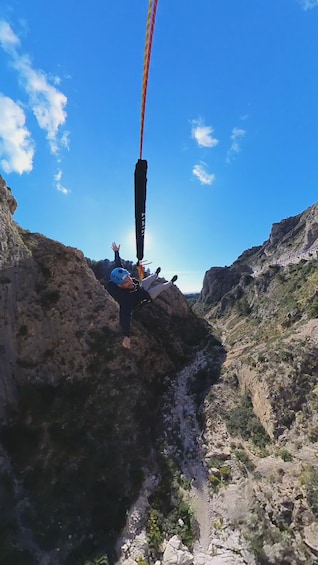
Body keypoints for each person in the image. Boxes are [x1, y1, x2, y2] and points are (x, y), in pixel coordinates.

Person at [107, 242, 178, 349]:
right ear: (120, 286)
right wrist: (126, 335)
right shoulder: (125, 299)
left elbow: (119, 266)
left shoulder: (121, 280)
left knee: (148, 279)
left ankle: (155, 274)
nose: (130, 281)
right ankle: (170, 283)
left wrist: (116, 252)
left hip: (139, 288)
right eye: (126, 282)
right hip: (145, 297)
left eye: (129, 278)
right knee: (160, 287)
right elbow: (125, 316)